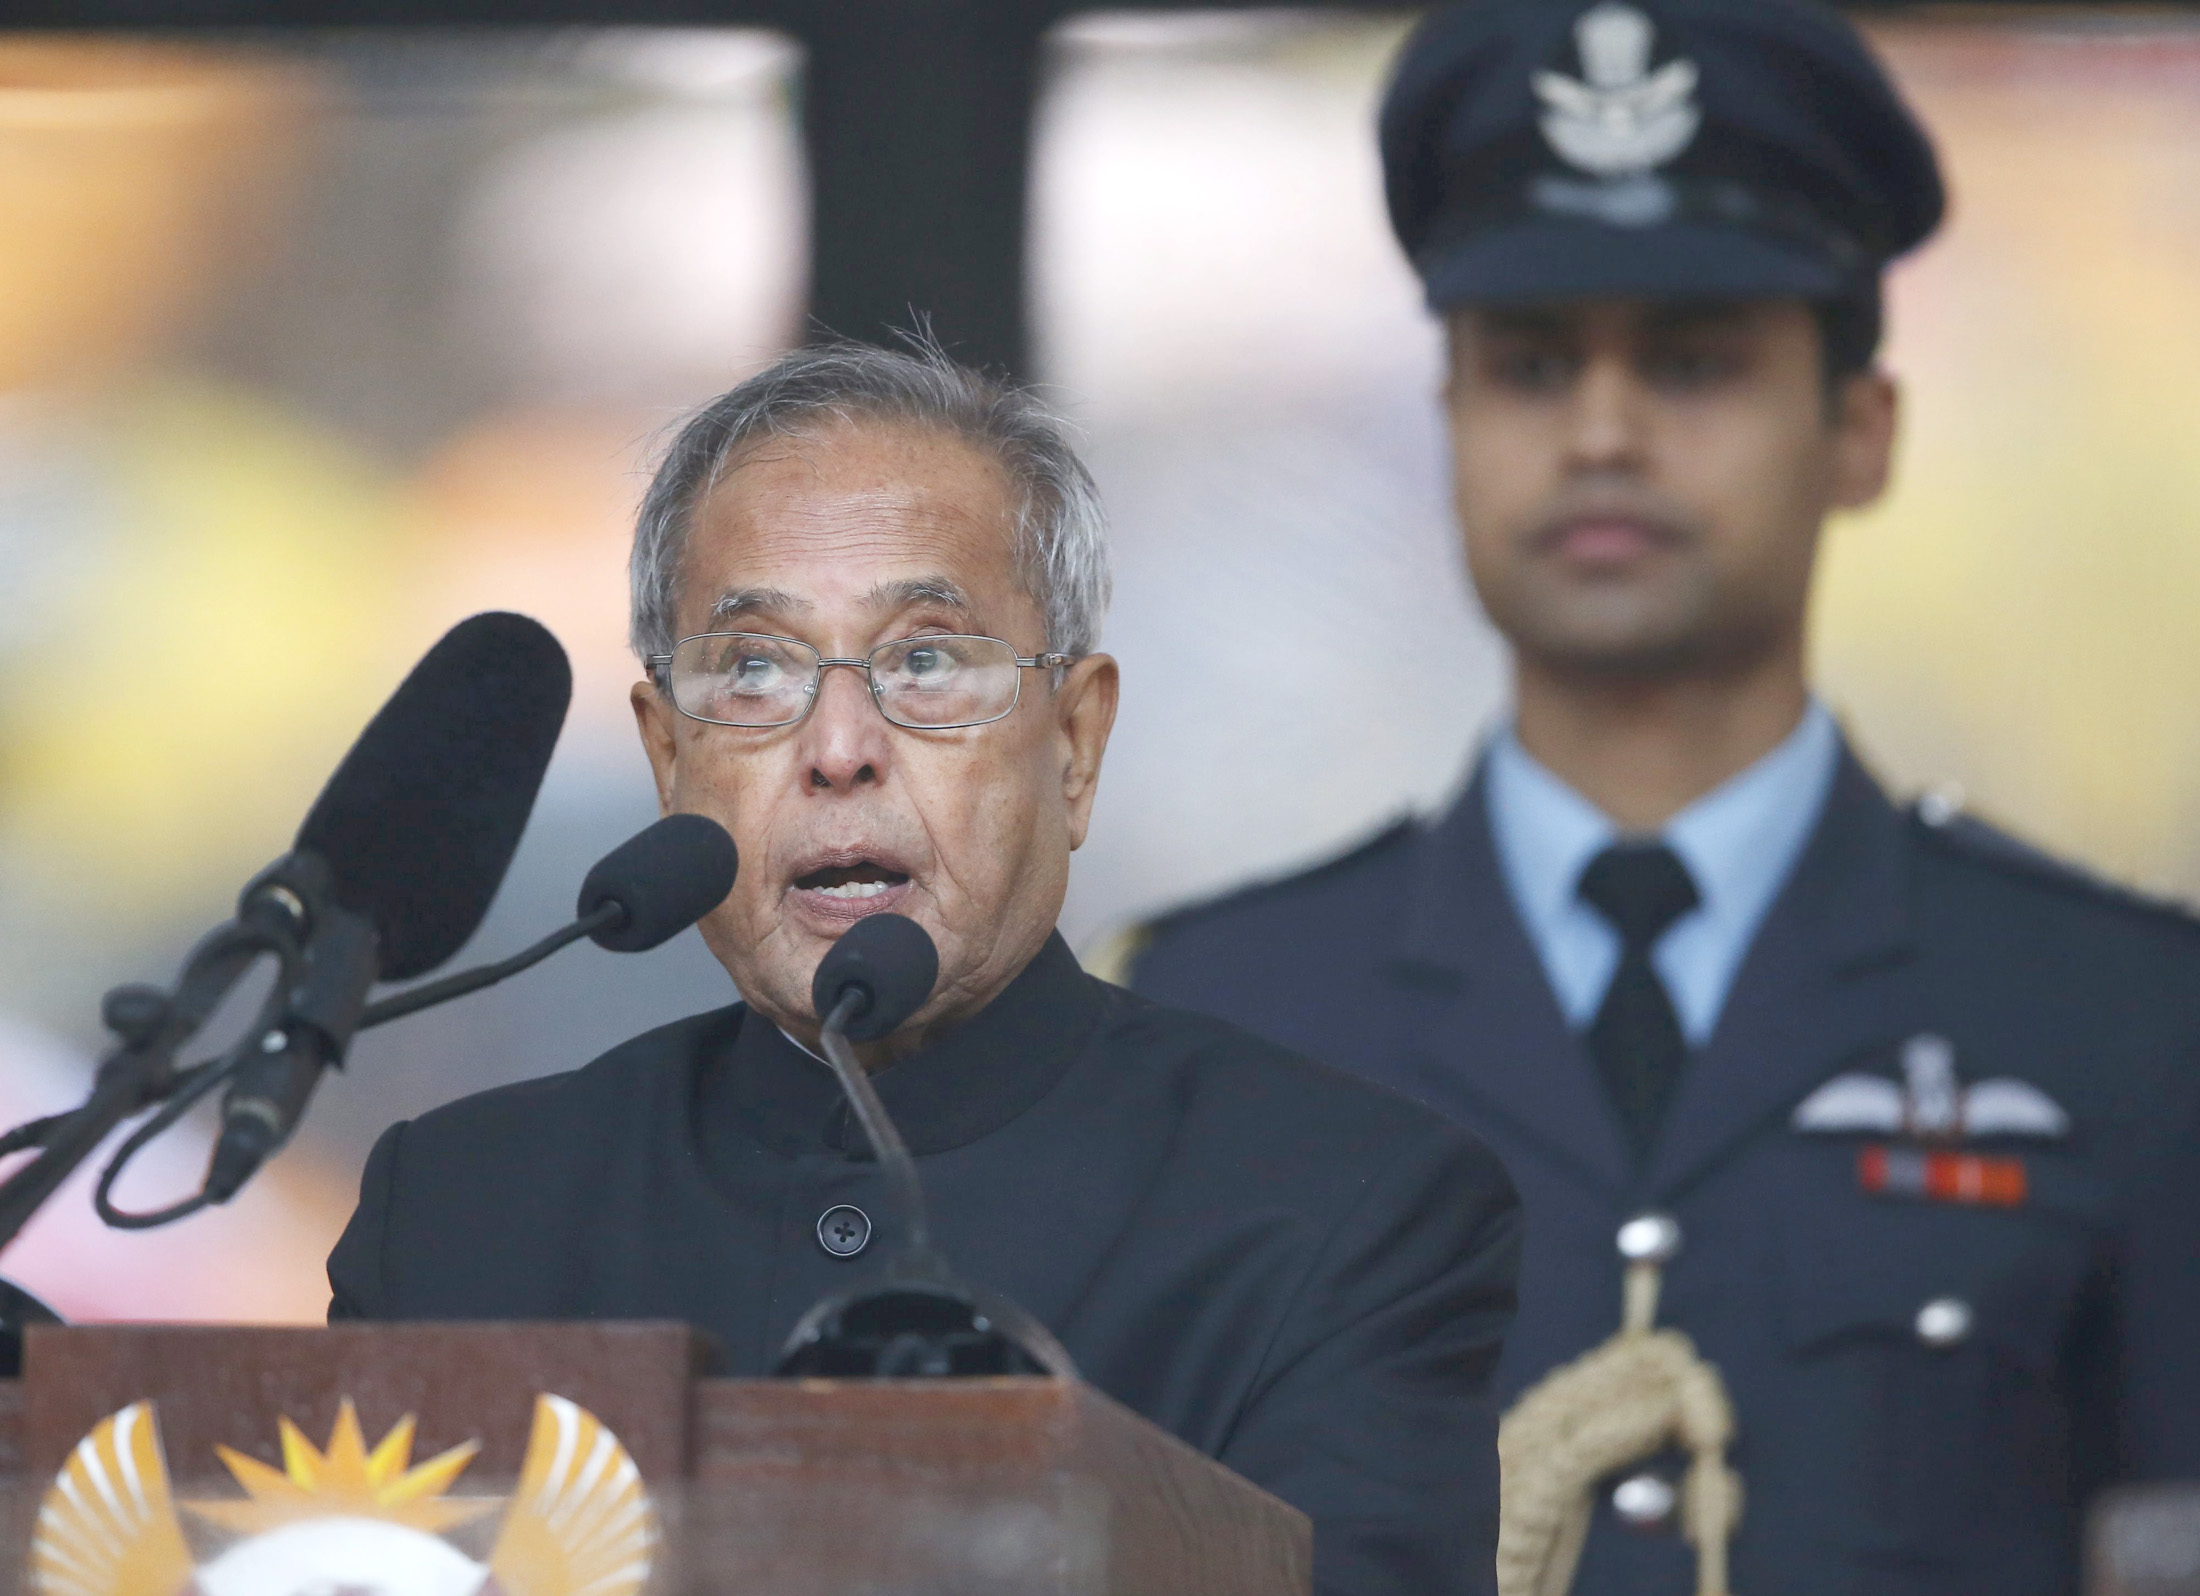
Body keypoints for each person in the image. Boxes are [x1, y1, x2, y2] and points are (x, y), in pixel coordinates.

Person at [1121, 2, 2200, 1592]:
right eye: (1533, 366)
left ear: (1860, 430)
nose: (1604, 434)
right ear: (1451, 422)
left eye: (1694, 361)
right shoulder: (1225, 1019)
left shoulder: (2123, 1021)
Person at [327, 340, 1522, 1596]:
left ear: (1073, 743)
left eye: (925, 660)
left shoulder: (1346, 1210)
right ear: (668, 760)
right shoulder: (461, 1215)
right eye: (754, 669)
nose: (839, 747)